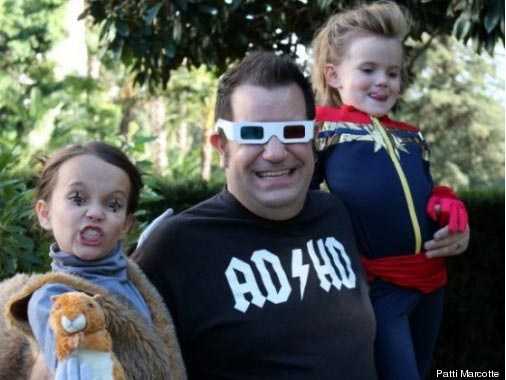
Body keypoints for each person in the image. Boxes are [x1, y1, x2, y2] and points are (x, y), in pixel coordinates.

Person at [132, 51, 377, 379]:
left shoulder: (334, 213)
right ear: (222, 146)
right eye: (252, 134)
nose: (275, 153)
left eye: (292, 132)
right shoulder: (175, 247)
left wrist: (448, 225)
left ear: (313, 136)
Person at [310, 2, 470, 379]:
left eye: (393, 72)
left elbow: (425, 193)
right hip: (380, 290)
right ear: (334, 76)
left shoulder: (411, 135)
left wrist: (447, 202)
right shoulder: (321, 128)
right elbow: (299, 203)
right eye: (368, 70)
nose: (383, 81)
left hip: (434, 281)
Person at [0, 141, 186, 380]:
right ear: (45, 214)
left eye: (113, 204)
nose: (96, 213)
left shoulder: (137, 283)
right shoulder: (53, 300)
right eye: (78, 199)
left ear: (125, 225)